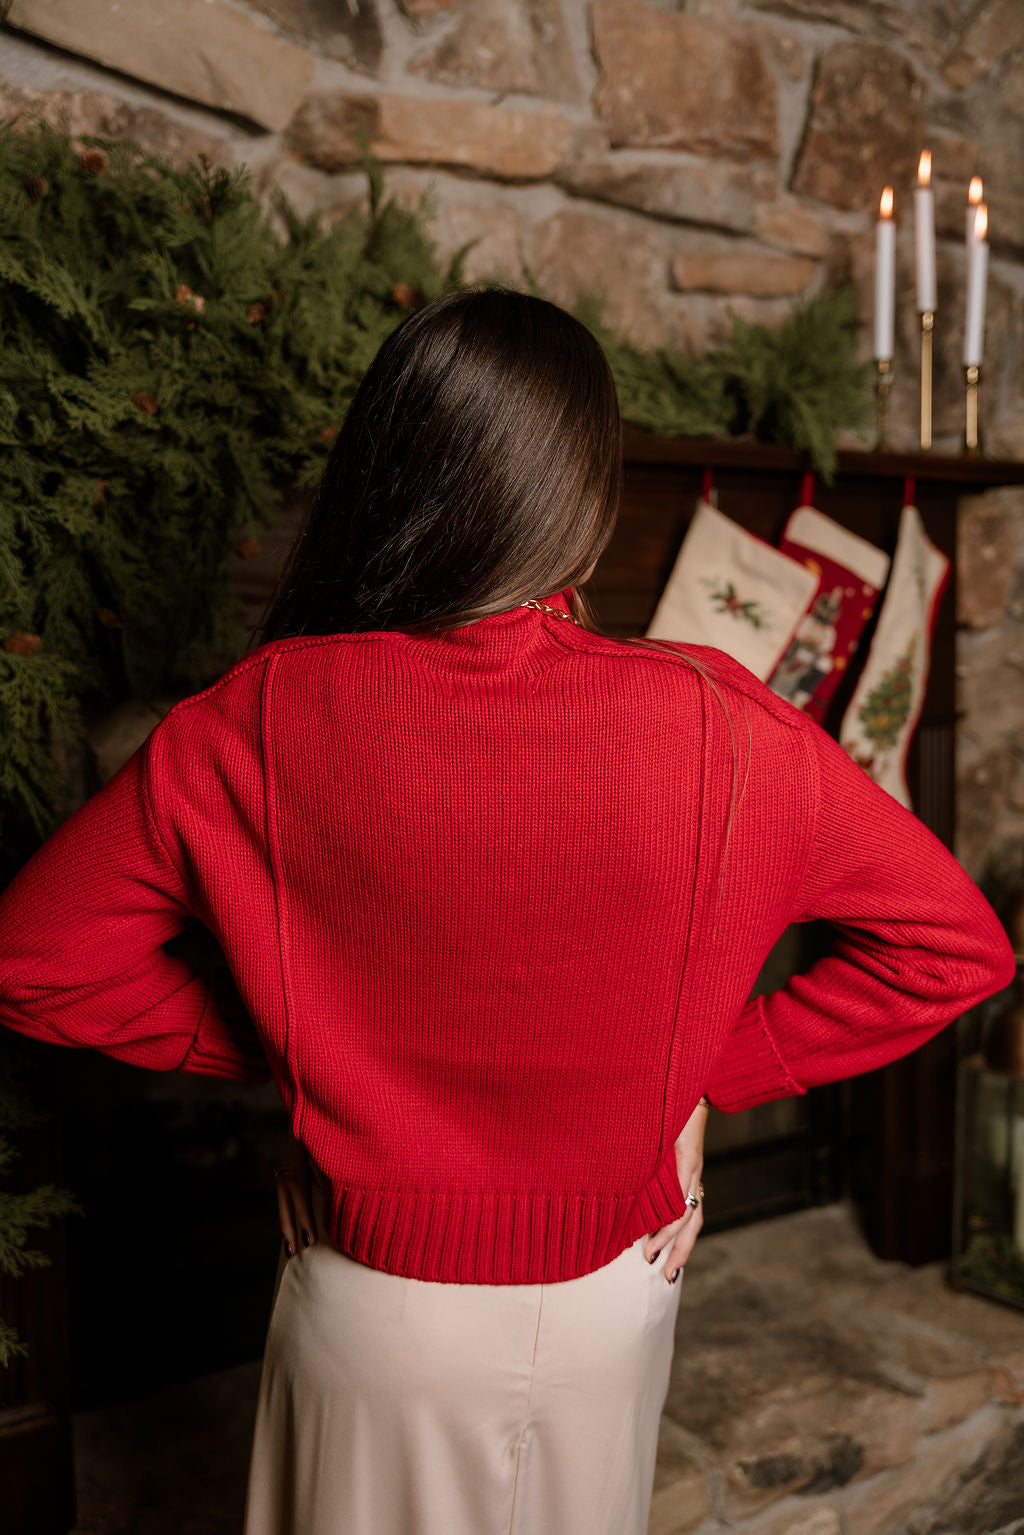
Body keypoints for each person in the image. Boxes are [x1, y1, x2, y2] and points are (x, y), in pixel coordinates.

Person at [0, 285, 1014, 1535]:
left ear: (383, 479)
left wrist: (308, 1057)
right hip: (613, 1294)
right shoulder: (724, 723)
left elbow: (33, 960)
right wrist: (697, 1077)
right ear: (585, 518)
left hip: (371, 1303)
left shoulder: (256, 718)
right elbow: (954, 950)